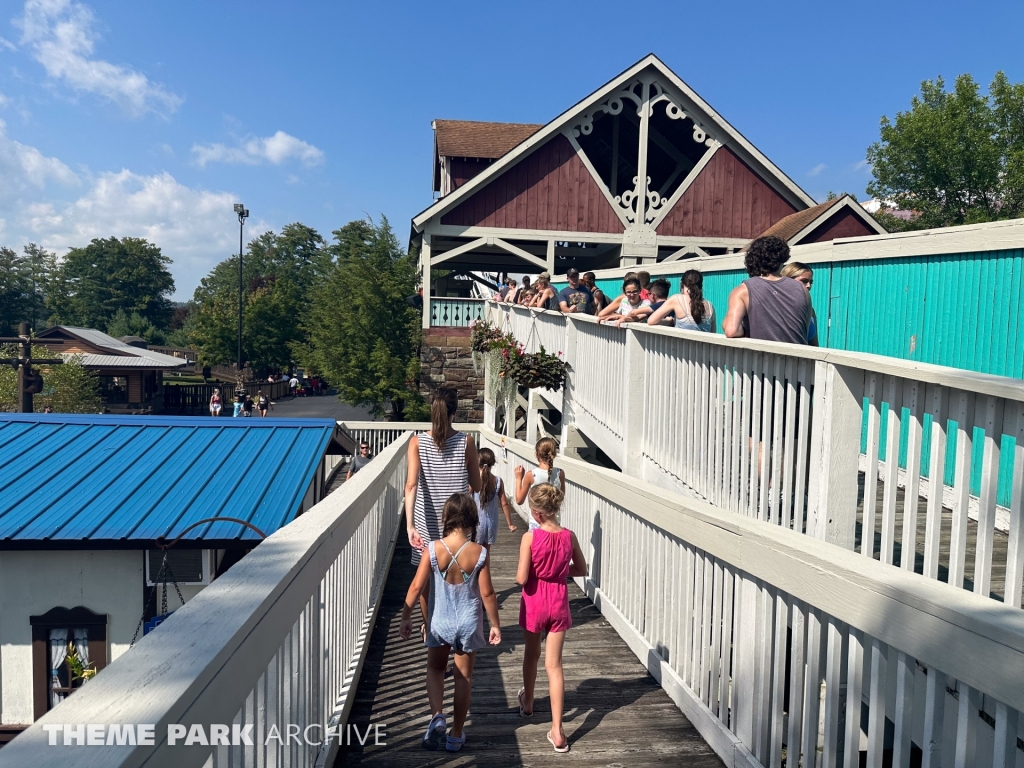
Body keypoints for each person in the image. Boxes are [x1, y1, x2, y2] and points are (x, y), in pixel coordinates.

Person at [399, 493, 501, 753]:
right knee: (463, 677)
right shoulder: (479, 552)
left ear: (446, 518)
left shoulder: (432, 550)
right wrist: (495, 625)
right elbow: (488, 593)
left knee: (435, 669)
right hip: (468, 622)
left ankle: (437, 716)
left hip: (439, 621)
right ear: (471, 520)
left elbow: (416, 586)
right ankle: (456, 735)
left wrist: (407, 615)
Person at [516, 483, 588, 753]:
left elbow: (522, 578)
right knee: (554, 665)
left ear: (536, 513)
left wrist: (536, 574)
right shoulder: (569, 536)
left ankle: (529, 702)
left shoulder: (530, 538)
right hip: (558, 601)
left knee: (531, 654)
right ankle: (558, 731)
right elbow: (581, 568)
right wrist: (558, 572)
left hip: (535, 601)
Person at [405, 388, 482, 627]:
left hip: (426, 523)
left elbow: (411, 485)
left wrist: (410, 526)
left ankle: (431, 631)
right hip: (457, 524)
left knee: (426, 581)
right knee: (459, 579)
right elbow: (476, 485)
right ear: (454, 412)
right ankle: (456, 627)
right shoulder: (466, 442)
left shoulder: (417, 442)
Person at [723, 236, 810, 343]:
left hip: (763, 358)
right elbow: (804, 328)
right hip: (799, 358)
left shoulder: (742, 290)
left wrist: (745, 330)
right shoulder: (802, 289)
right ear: (783, 258)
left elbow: (731, 331)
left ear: (752, 260)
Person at [513, 437, 565, 531]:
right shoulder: (560, 473)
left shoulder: (531, 475)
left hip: (536, 524)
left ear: (536, 454)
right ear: (554, 454)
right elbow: (561, 497)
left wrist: (518, 479)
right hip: (554, 523)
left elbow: (519, 500)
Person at [473, 448, 517, 548]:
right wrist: (510, 524)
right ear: (493, 462)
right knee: (486, 552)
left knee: (474, 552)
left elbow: (466, 499)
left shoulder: (474, 480)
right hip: (492, 523)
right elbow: (504, 504)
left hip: (476, 523)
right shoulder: (498, 481)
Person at [648, 269, 716, 332]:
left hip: (680, 345)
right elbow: (713, 333)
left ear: (681, 284)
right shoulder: (710, 306)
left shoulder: (676, 299)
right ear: (701, 286)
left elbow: (651, 321)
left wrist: (666, 321)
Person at [781, 262, 820, 346]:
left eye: (811, 282)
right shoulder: (775, 306)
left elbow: (814, 345)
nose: (809, 285)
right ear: (787, 280)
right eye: (804, 281)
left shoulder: (810, 310)